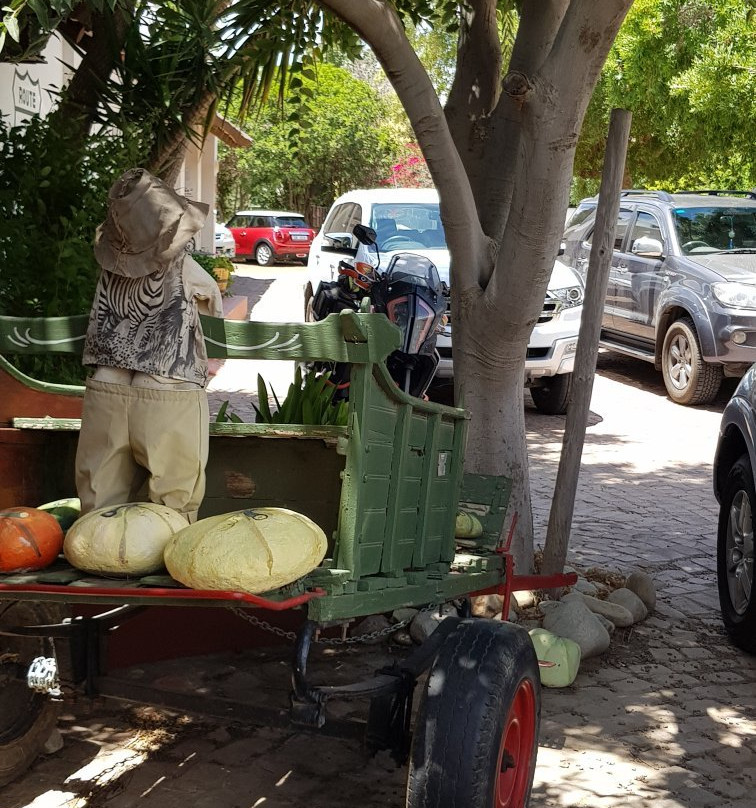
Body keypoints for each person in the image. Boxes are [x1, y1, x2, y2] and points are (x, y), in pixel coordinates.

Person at [75, 167, 223, 523]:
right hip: (165, 385)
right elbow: (211, 313)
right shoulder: (186, 269)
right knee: (175, 502)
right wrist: (211, 363)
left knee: (100, 503)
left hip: (107, 386)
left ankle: (100, 564)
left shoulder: (108, 271)